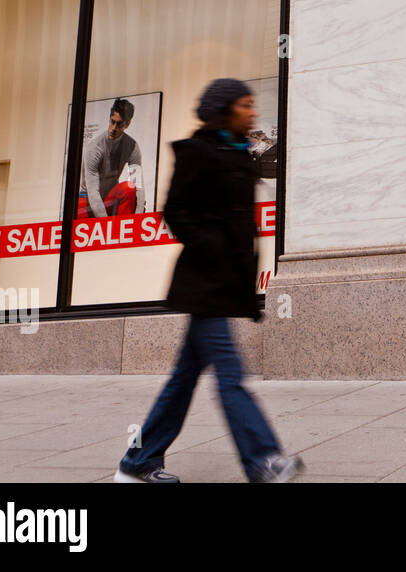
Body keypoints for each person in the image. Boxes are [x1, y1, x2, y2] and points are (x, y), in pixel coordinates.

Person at [116, 78, 303, 483]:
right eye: (245, 105)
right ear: (225, 109)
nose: (252, 113)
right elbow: (177, 213)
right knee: (232, 377)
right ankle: (263, 459)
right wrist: (214, 250)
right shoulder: (197, 152)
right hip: (204, 285)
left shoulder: (237, 154)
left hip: (222, 287)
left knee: (183, 381)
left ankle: (138, 462)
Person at [78, 98, 146, 218]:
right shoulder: (94, 148)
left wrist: (138, 217)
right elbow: (93, 192)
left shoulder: (132, 147)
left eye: (119, 124)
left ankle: (124, 230)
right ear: (109, 118)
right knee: (78, 206)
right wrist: (105, 226)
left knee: (129, 188)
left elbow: (138, 186)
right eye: (112, 121)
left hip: (109, 198)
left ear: (127, 124)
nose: (114, 128)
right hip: (87, 199)